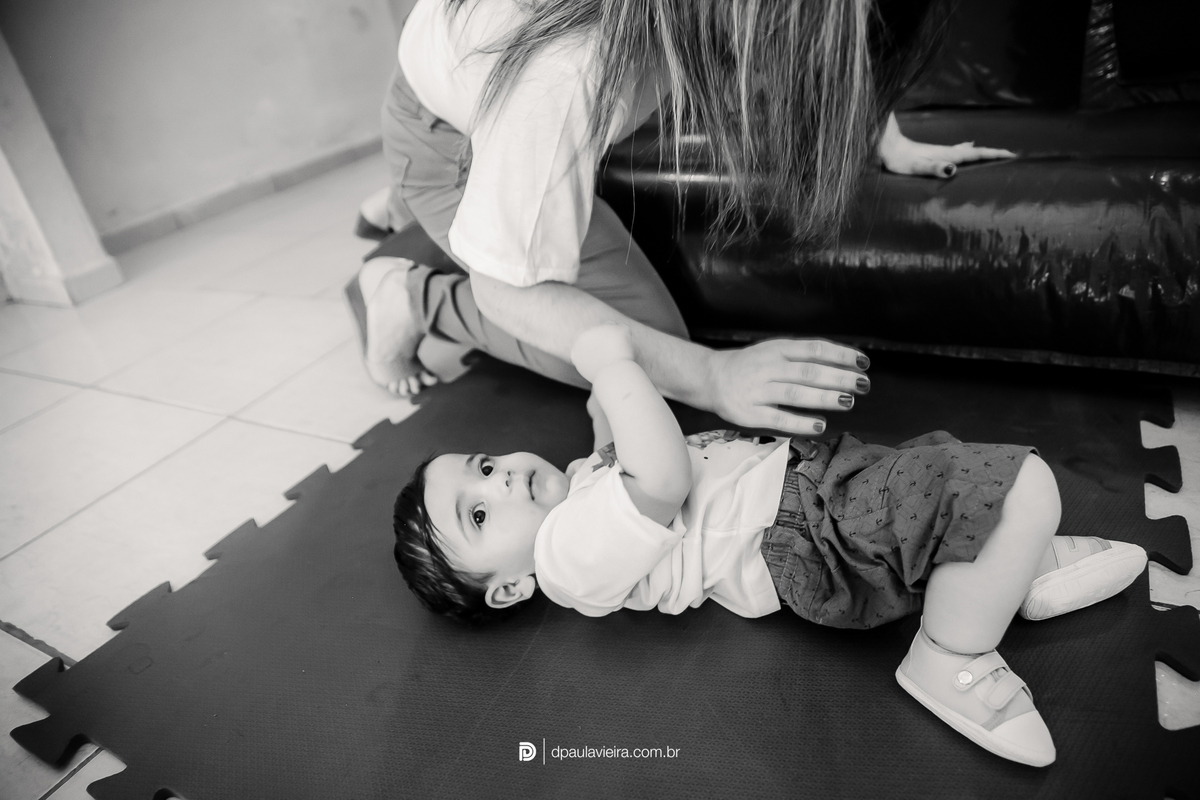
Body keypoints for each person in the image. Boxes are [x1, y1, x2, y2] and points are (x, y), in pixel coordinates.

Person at [392, 323, 1148, 768]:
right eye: (478, 515)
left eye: (482, 466)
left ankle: (1008, 569)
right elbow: (661, 475)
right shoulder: (563, 561)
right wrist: (612, 368)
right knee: (1023, 486)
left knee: (948, 487)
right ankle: (950, 655)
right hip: (806, 534)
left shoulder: (579, 500)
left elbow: (615, 463)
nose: (500, 480)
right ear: (509, 587)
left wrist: (602, 413)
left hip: (811, 487)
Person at [348, 0, 1017, 438]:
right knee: (642, 351)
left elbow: (836, 42)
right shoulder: (567, 72)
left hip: (498, 92)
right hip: (451, 133)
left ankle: (406, 204)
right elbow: (508, 291)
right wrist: (712, 377)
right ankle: (410, 295)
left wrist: (888, 142)